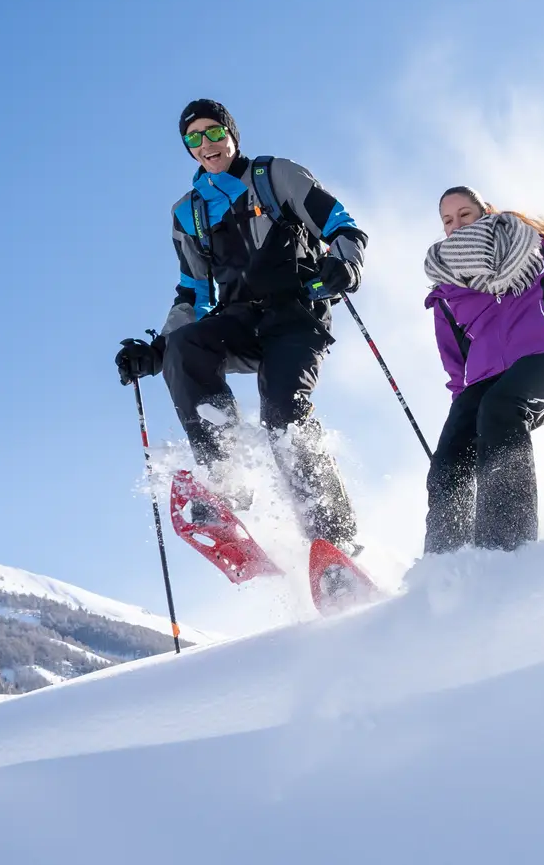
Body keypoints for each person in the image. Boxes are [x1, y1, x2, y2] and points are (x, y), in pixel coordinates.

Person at [114, 99, 367, 547]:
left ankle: (334, 541)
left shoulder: (274, 176)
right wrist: (155, 353)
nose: (206, 144)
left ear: (232, 134)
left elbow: (341, 225)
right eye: (194, 138)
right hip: (239, 322)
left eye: (214, 132)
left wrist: (345, 265)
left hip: (295, 316)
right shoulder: (187, 212)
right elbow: (192, 293)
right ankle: (225, 480)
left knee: (283, 411)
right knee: (186, 347)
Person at [424, 187, 544, 553]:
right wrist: (460, 424)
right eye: (447, 220)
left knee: (499, 409)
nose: (455, 225)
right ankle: (445, 563)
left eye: (464, 214)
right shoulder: (446, 292)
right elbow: (456, 368)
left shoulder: (528, 253)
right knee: (450, 453)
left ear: (485, 214)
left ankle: (505, 548)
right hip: (483, 382)